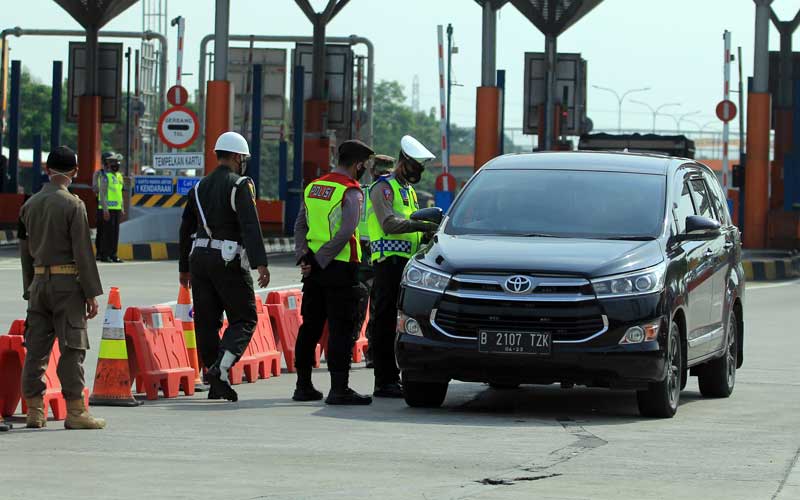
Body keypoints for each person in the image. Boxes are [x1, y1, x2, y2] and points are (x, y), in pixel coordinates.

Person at [178, 132, 270, 402]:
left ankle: (213, 375)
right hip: (227, 260)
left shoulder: (198, 187)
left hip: (198, 259)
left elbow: (185, 229)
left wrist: (183, 267)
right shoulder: (240, 185)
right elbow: (250, 225)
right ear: (239, 157)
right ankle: (222, 367)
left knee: (206, 320)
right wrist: (260, 263)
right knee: (244, 318)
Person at [18, 145, 106, 430]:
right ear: (75, 172)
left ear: (47, 170)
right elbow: (83, 252)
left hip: (39, 284)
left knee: (35, 350)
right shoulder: (73, 205)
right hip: (67, 286)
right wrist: (91, 293)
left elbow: (24, 252)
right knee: (72, 349)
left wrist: (29, 287)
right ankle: (76, 412)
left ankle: (34, 411)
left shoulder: (28, 205)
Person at [293, 139, 375, 405]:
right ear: (358, 164)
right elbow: (346, 231)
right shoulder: (351, 190)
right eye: (364, 165)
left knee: (310, 327)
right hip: (340, 268)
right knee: (341, 328)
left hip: (314, 270)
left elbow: (300, 226)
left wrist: (304, 257)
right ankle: (339, 389)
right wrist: (319, 260)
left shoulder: (314, 186)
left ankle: (303, 385)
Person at [367, 135, 438, 398]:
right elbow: (388, 224)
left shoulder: (408, 191)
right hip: (387, 263)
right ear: (403, 162)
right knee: (384, 322)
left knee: (402, 323)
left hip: (407, 265)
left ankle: (395, 376)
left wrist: (429, 234)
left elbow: (412, 229)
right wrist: (420, 225)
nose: (418, 172)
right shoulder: (383, 187)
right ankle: (383, 380)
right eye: (415, 167)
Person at [356, 154, 395, 368]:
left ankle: (352, 347)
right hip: (382, 253)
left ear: (372, 171)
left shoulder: (361, 192)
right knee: (379, 306)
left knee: (361, 302)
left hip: (364, 252)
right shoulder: (396, 192)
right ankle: (372, 352)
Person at [93, 152, 125, 263]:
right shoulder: (102, 175)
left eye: (117, 162)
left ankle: (113, 254)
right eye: (113, 162)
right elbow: (99, 191)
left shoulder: (119, 176)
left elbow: (119, 193)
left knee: (114, 233)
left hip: (116, 209)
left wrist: (122, 208)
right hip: (105, 208)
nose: (116, 164)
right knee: (105, 232)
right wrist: (105, 209)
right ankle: (103, 254)